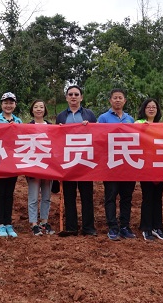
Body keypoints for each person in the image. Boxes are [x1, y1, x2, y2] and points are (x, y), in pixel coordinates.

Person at [55, 85, 97, 237]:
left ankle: (88, 227)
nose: (73, 97)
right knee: (69, 196)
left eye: (76, 94)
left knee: (87, 196)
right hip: (68, 163)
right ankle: (71, 227)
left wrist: (89, 127)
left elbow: (97, 135)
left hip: (85, 162)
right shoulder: (61, 116)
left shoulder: (90, 115)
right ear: (66, 98)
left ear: (81, 97)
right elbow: (57, 139)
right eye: (70, 94)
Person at [98, 88, 137, 241]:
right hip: (110, 164)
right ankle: (113, 227)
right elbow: (98, 138)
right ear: (110, 100)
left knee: (126, 197)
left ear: (125, 101)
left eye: (120, 98)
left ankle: (125, 226)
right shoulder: (103, 118)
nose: (118, 100)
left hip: (128, 164)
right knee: (110, 197)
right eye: (115, 98)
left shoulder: (130, 119)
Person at [136, 98, 163, 242]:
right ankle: (146, 227)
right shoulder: (138, 123)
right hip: (145, 166)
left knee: (158, 197)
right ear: (144, 109)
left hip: (160, 166)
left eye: (154, 107)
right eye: (148, 107)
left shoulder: (162, 126)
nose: (151, 109)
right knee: (147, 197)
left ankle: (157, 226)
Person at [0, 92, 22, 237]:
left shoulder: (19, 121)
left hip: (13, 162)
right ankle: (0, 224)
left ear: (15, 105)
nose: (8, 105)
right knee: (0, 192)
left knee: (9, 193)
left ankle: (8, 223)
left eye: (11, 103)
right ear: (1, 104)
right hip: (0, 160)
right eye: (5, 103)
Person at [27, 99, 54, 236]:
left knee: (46, 196)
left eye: (41, 107)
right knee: (33, 196)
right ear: (32, 110)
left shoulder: (52, 126)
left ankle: (44, 221)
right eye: (36, 107)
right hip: (33, 166)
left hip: (48, 166)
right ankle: (33, 224)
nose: (38, 109)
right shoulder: (27, 127)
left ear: (45, 110)